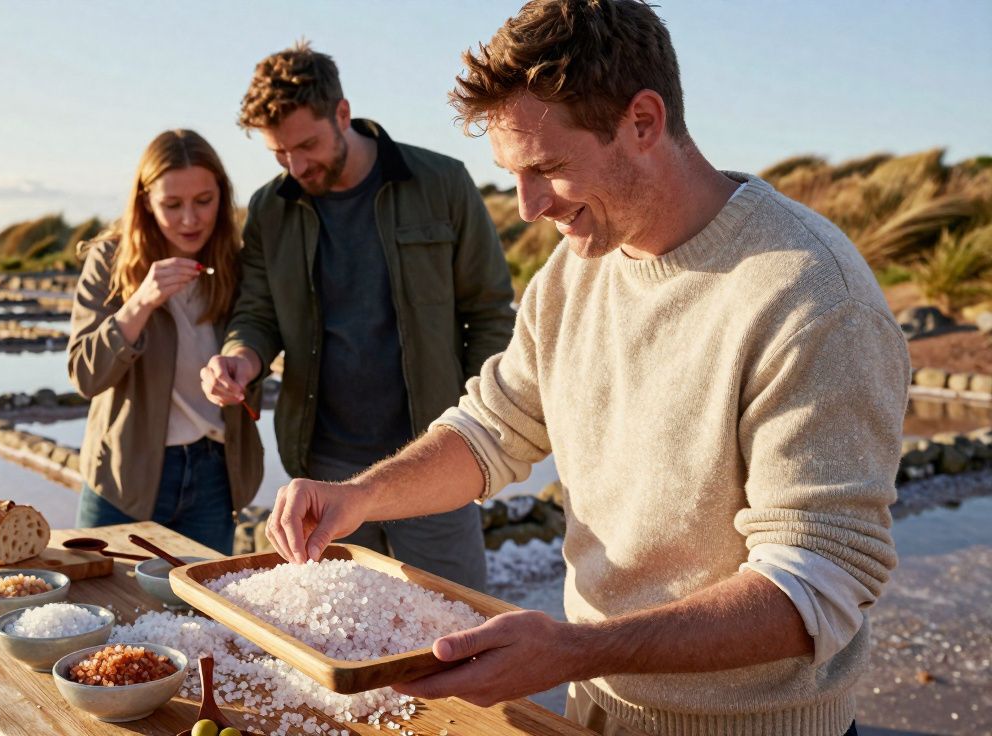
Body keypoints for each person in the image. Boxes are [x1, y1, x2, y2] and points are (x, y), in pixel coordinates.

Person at [264, 2, 908, 734]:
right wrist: (360, 496)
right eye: (512, 174)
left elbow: (819, 582)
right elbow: (492, 429)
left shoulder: (813, 296)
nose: (530, 205)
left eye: (548, 168)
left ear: (642, 121)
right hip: (591, 713)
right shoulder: (574, 273)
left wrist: (575, 649)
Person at [200, 42, 516, 590]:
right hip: (322, 469)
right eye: (280, 154)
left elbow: (489, 314)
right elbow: (257, 313)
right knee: (337, 641)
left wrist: (474, 422)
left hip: (432, 459)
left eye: (307, 145)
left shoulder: (442, 184)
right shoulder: (271, 209)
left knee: (455, 632)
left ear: (342, 114)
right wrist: (240, 359)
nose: (296, 167)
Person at [67, 129, 263, 555]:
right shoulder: (109, 260)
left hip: (215, 475)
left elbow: (259, 336)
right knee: (104, 610)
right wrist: (140, 303)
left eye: (204, 201)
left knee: (202, 615)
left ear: (223, 195)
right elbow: (84, 374)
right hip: (123, 476)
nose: (190, 219)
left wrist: (243, 367)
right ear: (144, 202)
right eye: (172, 205)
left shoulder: (238, 264)